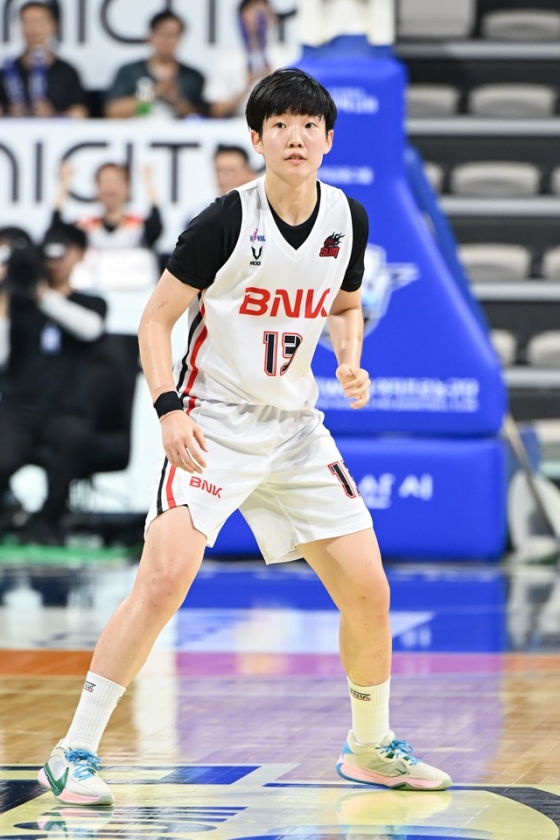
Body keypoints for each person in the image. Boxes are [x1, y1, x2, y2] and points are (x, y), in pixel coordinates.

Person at [38, 67, 452, 805]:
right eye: (280, 124)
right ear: (257, 139)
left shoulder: (348, 218)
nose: (296, 137)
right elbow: (156, 319)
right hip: (214, 423)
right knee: (163, 581)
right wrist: (169, 408)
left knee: (370, 592)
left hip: (295, 430)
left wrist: (349, 359)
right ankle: (73, 750)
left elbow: (346, 305)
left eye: (308, 125)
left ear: (328, 138)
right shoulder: (225, 222)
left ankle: (368, 747)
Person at [0, 223, 106, 545]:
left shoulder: (90, 302)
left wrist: (41, 294)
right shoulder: (16, 305)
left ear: (79, 255)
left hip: (66, 408)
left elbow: (90, 329)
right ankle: (10, 513)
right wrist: (4, 302)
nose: (55, 260)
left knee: (74, 439)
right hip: (19, 408)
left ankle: (47, 521)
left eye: (63, 252)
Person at [104, 11, 207, 120]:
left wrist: (176, 102)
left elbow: (203, 117)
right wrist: (154, 93)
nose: (167, 40)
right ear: (151, 36)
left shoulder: (193, 77)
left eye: (173, 35)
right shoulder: (130, 72)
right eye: (163, 34)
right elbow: (112, 111)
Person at [206, 0, 299, 118]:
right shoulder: (227, 61)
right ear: (241, 18)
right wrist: (246, 85)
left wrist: (274, 81)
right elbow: (216, 111)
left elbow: (302, 105)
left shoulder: (290, 58)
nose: (257, 17)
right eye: (252, 11)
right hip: (238, 125)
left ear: (272, 17)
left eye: (262, 12)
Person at [0, 1, 87, 118]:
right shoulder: (7, 71)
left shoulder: (67, 72)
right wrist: (9, 114)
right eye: (26, 22)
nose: (33, 28)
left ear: (54, 25)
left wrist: (53, 115)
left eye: (39, 21)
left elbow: (80, 113)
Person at [53, 161, 162, 251]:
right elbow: (57, 230)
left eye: (115, 181)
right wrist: (64, 182)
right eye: (104, 182)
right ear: (96, 189)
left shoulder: (139, 226)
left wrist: (148, 180)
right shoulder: (85, 227)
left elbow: (156, 228)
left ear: (127, 188)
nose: (110, 187)